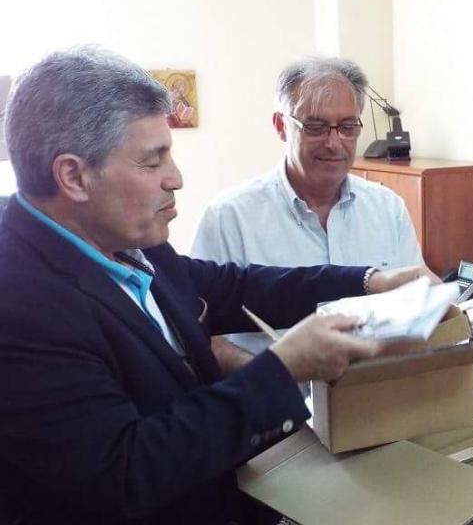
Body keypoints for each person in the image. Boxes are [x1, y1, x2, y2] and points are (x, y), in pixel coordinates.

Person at [0, 46, 429, 524]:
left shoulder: (130, 241)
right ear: (73, 176)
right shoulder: (20, 302)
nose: (176, 179)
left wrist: (369, 280)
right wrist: (282, 369)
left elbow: (235, 287)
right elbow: (127, 472)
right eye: (152, 162)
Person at [191, 56, 422, 270]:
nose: (333, 143)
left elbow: (417, 291)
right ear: (281, 126)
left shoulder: (388, 209)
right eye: (315, 127)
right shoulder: (229, 219)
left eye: (347, 127)